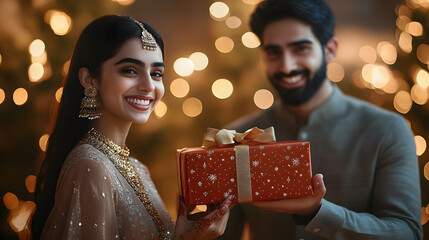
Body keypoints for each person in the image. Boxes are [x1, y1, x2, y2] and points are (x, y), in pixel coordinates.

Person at [219, 0, 423, 239]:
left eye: (301, 49)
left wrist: (317, 212)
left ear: (330, 50)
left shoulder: (387, 130)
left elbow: (407, 233)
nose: (286, 66)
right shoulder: (236, 140)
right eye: (274, 52)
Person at [30, 15, 232, 240]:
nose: (148, 86)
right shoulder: (90, 167)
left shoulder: (137, 168)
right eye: (130, 70)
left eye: (156, 74)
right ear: (89, 79)